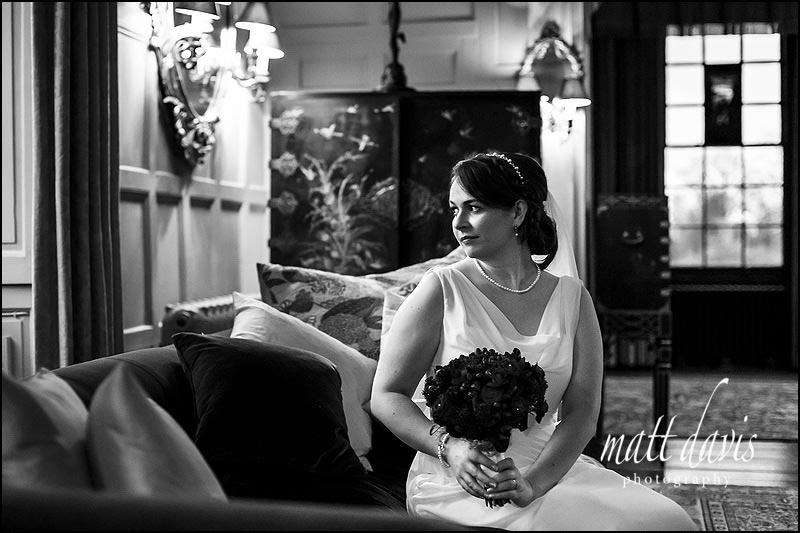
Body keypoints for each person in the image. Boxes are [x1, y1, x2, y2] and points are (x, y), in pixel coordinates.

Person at [371, 151, 697, 530]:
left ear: (518, 212)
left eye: (474, 208)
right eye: (454, 209)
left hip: (548, 471)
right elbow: (386, 395)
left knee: (667, 520)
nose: (458, 223)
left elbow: (581, 414)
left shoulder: (573, 299)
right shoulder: (442, 289)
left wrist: (534, 484)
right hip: (459, 478)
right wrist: (450, 448)